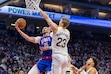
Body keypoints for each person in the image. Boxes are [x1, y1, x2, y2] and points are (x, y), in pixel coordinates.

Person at [36, 5, 70, 74]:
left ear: (62, 23)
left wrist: (39, 9)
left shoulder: (56, 29)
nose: (59, 22)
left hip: (57, 56)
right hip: (65, 57)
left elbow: (47, 18)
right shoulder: (68, 32)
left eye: (60, 21)